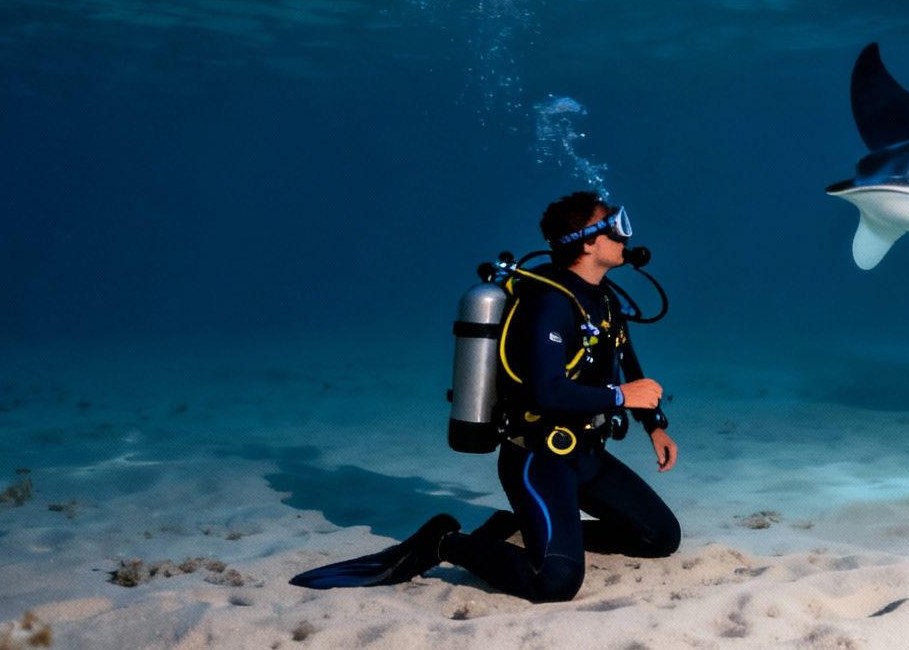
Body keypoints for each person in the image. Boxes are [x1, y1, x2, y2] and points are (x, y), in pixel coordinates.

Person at [288, 192, 680, 603]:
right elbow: (548, 392)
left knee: (660, 537)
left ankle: (517, 528)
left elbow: (626, 362)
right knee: (555, 583)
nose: (625, 236)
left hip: (587, 455)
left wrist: (654, 427)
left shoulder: (603, 297)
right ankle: (444, 543)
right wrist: (620, 397)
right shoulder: (548, 303)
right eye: (615, 227)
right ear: (587, 242)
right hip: (539, 458)